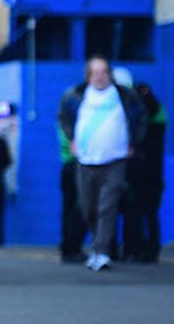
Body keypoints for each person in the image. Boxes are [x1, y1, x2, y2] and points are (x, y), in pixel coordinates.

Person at [58, 55, 145, 272]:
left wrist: (133, 142)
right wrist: (71, 139)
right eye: (95, 72)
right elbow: (64, 118)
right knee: (89, 208)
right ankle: (99, 243)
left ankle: (102, 251)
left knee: (108, 207)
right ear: (88, 75)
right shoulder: (75, 96)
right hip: (86, 160)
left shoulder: (125, 96)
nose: (100, 77)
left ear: (110, 74)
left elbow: (140, 118)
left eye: (104, 72)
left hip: (115, 160)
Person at [123, 82, 166, 263]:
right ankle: (150, 250)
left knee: (135, 211)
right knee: (150, 213)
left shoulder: (134, 116)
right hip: (154, 173)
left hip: (137, 172)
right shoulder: (159, 112)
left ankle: (133, 249)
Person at [57, 126, 87, 262]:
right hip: (78, 165)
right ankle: (73, 247)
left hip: (67, 165)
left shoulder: (63, 122)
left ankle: (68, 247)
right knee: (78, 209)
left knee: (68, 209)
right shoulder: (79, 123)